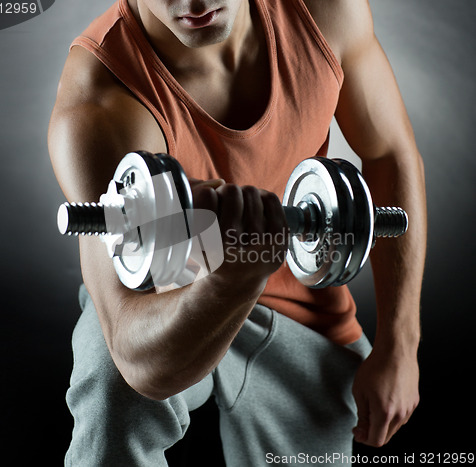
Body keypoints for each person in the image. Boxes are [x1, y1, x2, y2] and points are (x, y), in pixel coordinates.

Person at [49, 0, 426, 465]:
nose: (195, 2)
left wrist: (400, 346)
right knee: (112, 391)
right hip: (166, 304)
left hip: (304, 317)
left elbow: (390, 154)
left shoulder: (324, 13)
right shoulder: (101, 98)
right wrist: (235, 275)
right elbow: (136, 355)